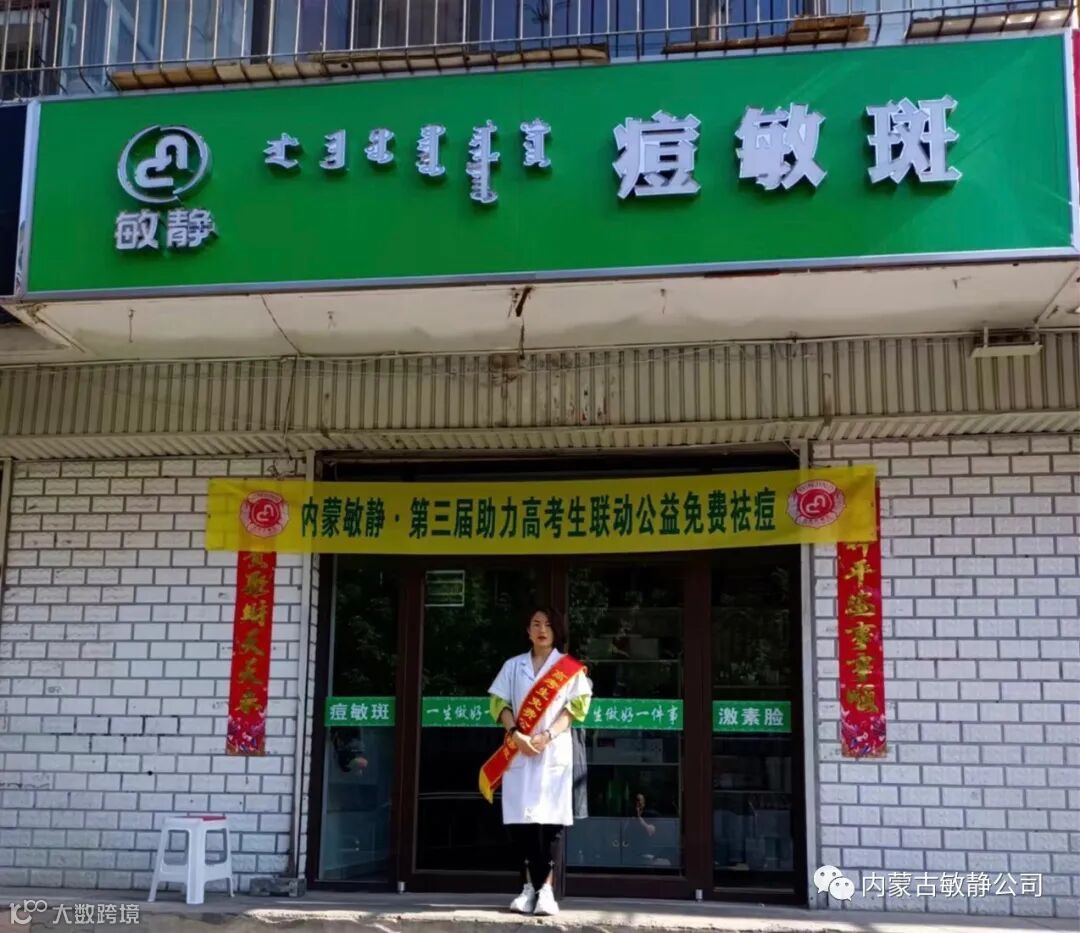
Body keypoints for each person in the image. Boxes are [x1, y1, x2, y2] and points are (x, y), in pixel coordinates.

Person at [481, 607, 592, 917]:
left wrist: (546, 736)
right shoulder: (513, 666)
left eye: (548, 625)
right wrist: (515, 735)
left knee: (550, 824)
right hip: (519, 751)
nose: (542, 629)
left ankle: (546, 891)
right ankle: (527, 888)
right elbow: (499, 703)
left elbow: (576, 709)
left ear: (557, 631)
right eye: (536, 624)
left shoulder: (568, 668)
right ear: (528, 631)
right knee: (523, 824)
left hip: (552, 751)